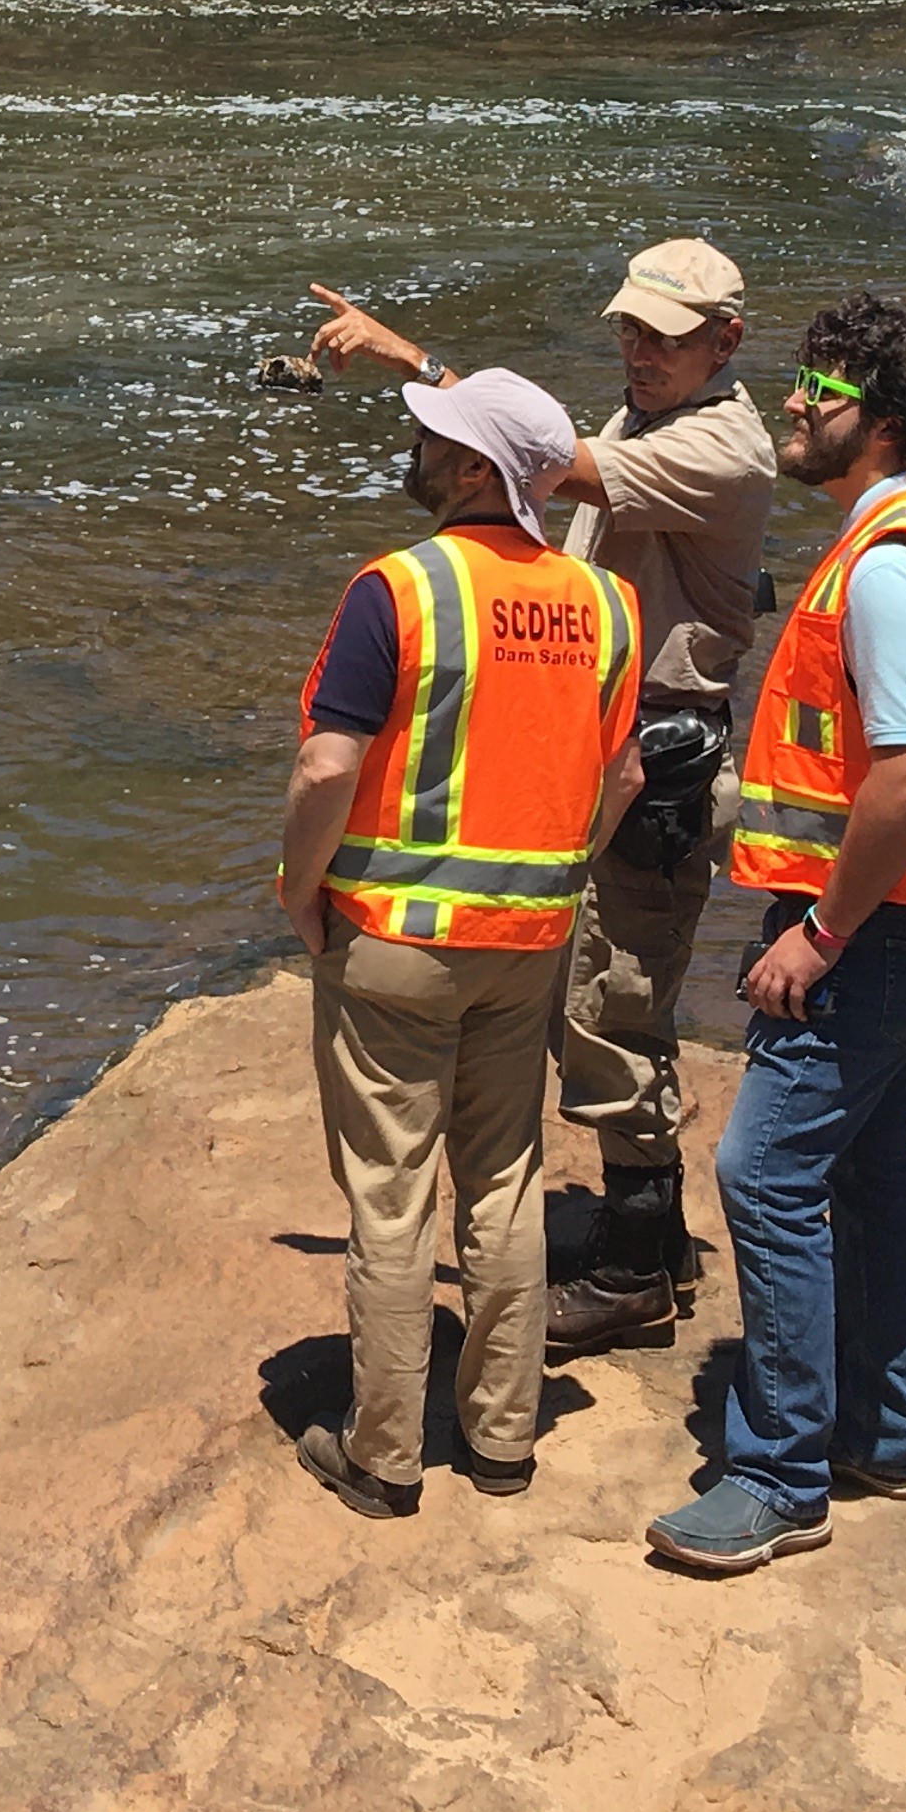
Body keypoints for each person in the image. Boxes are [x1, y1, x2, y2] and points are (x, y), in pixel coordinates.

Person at [642, 291, 906, 1579]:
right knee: (867, 1165)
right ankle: (884, 1434)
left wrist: (817, 937)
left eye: (817, 391)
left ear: (878, 424)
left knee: (765, 1174)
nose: (788, 402)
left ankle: (779, 1475)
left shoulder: (887, 569)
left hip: (878, 926)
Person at [306, 244, 777, 1352]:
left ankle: (632, 1270)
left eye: (666, 336)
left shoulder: (721, 442)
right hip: (610, 741)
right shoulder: (646, 420)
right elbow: (531, 451)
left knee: (612, 1000)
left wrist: (414, 360)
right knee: (590, 988)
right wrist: (419, 364)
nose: (640, 349)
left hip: (654, 760)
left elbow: (540, 468)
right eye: (630, 327)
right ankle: (648, 1246)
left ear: (724, 342)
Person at [275, 369, 646, 1519]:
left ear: (478, 472)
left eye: (435, 437)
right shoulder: (607, 603)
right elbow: (621, 776)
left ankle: (385, 1458)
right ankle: (501, 1442)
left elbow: (328, 766)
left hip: (391, 941)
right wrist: (557, 876)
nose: (416, 445)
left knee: (391, 1198)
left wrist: (301, 889)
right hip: (526, 940)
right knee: (507, 1177)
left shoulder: (400, 590)